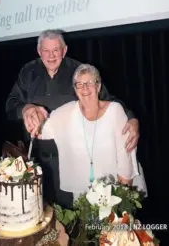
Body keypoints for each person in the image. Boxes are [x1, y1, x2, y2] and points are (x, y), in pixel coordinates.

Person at [6, 29, 140, 202]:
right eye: (46, 50)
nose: (51, 55)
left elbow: (108, 101)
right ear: (39, 52)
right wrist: (25, 109)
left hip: (71, 162)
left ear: (64, 50)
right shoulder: (28, 71)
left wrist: (132, 119)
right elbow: (10, 105)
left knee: (72, 215)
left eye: (56, 50)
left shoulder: (79, 72)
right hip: (36, 159)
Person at [39, 64, 146, 207]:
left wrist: (121, 199)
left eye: (90, 83)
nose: (85, 88)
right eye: (80, 84)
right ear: (75, 89)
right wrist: (29, 110)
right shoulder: (67, 113)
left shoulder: (115, 111)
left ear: (99, 86)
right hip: (84, 195)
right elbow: (41, 130)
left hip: (115, 192)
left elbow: (125, 156)